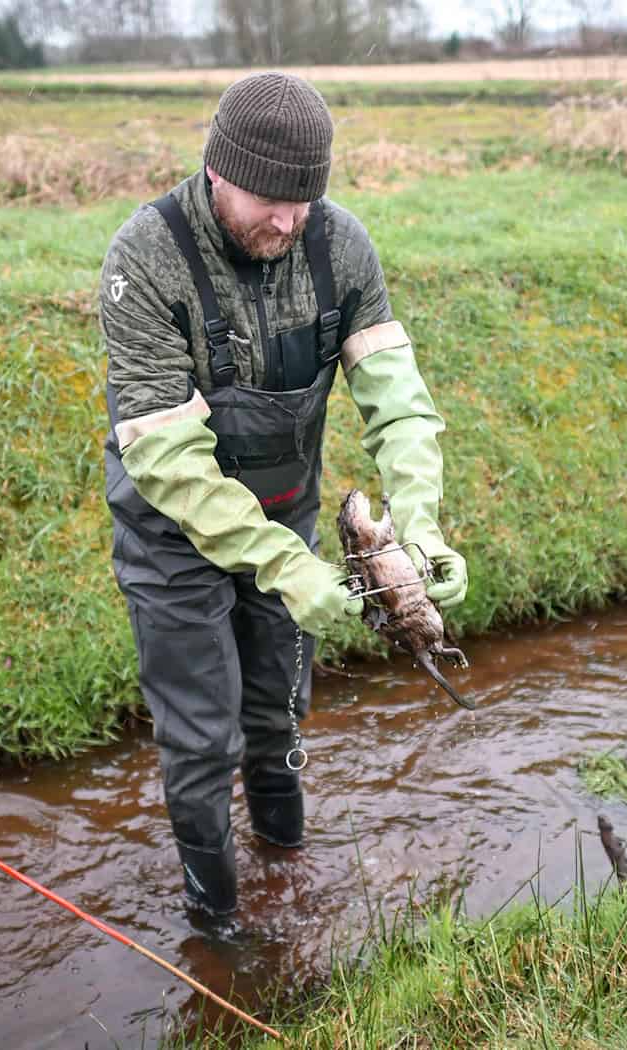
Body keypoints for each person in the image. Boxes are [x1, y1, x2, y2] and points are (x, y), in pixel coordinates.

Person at [98, 72, 467, 928]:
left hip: (291, 518)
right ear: (219, 170)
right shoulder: (146, 259)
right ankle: (218, 924)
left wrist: (420, 521)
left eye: (308, 199)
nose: (290, 222)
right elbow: (168, 458)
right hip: (172, 540)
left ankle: (286, 862)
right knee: (201, 738)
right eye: (272, 199)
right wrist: (280, 564)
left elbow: (399, 402)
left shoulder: (342, 248)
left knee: (279, 712)